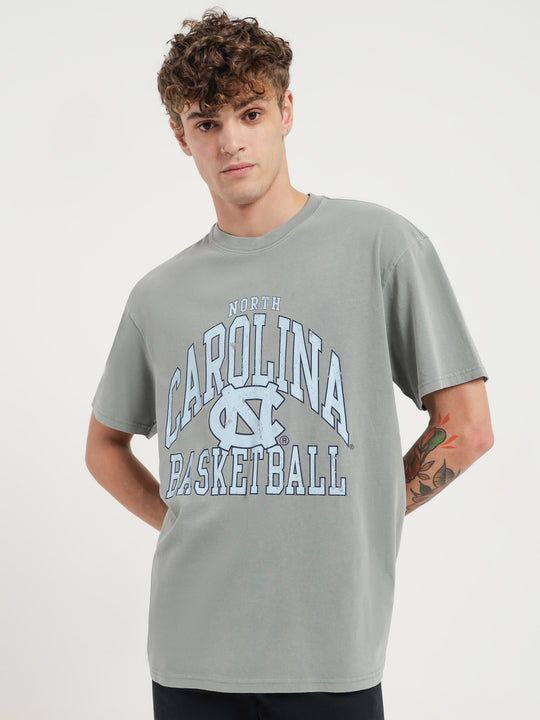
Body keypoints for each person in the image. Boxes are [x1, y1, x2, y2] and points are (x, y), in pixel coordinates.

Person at [85, 8, 494, 720]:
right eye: (206, 122)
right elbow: (104, 447)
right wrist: (183, 519)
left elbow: (467, 427)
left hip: (329, 655)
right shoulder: (158, 295)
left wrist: (364, 511)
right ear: (181, 136)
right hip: (189, 651)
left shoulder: (380, 246)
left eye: (250, 113)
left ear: (286, 112)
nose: (231, 141)